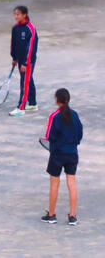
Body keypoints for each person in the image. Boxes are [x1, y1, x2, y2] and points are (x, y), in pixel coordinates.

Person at [41, 88, 83, 225]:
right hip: (72, 153)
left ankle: (51, 215)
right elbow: (80, 134)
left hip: (57, 154)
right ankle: (72, 216)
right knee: (72, 183)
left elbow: (50, 136)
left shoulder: (55, 116)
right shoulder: (75, 115)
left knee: (54, 184)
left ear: (56, 100)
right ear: (68, 100)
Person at [9, 6, 38, 116]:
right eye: (15, 14)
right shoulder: (15, 28)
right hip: (19, 59)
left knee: (24, 82)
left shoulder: (30, 29)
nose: (16, 16)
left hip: (28, 60)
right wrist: (14, 58)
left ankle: (21, 108)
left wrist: (26, 63)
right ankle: (32, 104)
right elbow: (13, 43)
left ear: (24, 15)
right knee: (27, 79)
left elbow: (31, 48)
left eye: (18, 14)